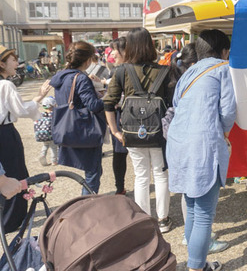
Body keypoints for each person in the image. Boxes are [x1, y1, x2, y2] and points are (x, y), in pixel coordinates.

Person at [167, 30, 236, 271]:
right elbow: (228, 112)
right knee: (204, 214)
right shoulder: (223, 69)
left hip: (179, 144)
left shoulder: (189, 71)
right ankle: (196, 268)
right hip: (203, 146)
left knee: (193, 209)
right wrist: (224, 133)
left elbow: (177, 104)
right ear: (224, 51)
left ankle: (198, 263)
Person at [104, 27, 172, 233]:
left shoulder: (121, 71)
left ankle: (144, 220)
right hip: (159, 131)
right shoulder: (164, 71)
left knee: (141, 175)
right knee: (161, 173)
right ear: (150, 45)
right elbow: (172, 103)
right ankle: (163, 220)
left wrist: (115, 131)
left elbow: (108, 102)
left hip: (132, 131)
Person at [0, 45, 52, 232]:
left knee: (4, 175)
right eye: (13, 60)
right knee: (15, 174)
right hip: (5, 134)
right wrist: (39, 97)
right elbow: (20, 110)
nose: (17, 63)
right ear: (2, 64)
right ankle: (11, 220)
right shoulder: (6, 85)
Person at [50, 41, 106, 195]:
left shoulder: (61, 76)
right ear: (87, 60)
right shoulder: (80, 78)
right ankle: (87, 204)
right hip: (84, 129)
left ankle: (87, 200)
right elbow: (93, 105)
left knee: (92, 171)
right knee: (93, 172)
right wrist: (107, 98)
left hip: (67, 128)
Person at [106, 37, 128, 195]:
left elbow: (111, 99)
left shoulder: (118, 71)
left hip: (122, 115)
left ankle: (120, 188)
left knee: (120, 154)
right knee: (120, 155)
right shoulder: (115, 71)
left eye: (115, 49)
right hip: (123, 115)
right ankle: (120, 187)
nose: (112, 53)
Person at [34, 96, 59, 166]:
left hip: (43, 134)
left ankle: (42, 155)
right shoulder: (54, 114)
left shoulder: (41, 114)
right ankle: (54, 161)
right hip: (51, 135)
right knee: (54, 147)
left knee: (45, 145)